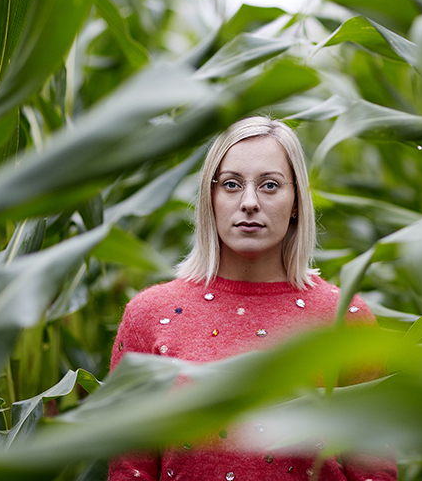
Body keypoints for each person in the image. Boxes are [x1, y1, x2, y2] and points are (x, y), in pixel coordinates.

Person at [108, 116, 396, 481]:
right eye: (230, 184)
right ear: (209, 198)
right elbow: (129, 468)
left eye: (270, 185)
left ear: (296, 201)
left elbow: (373, 469)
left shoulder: (346, 318)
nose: (248, 203)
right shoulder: (148, 314)